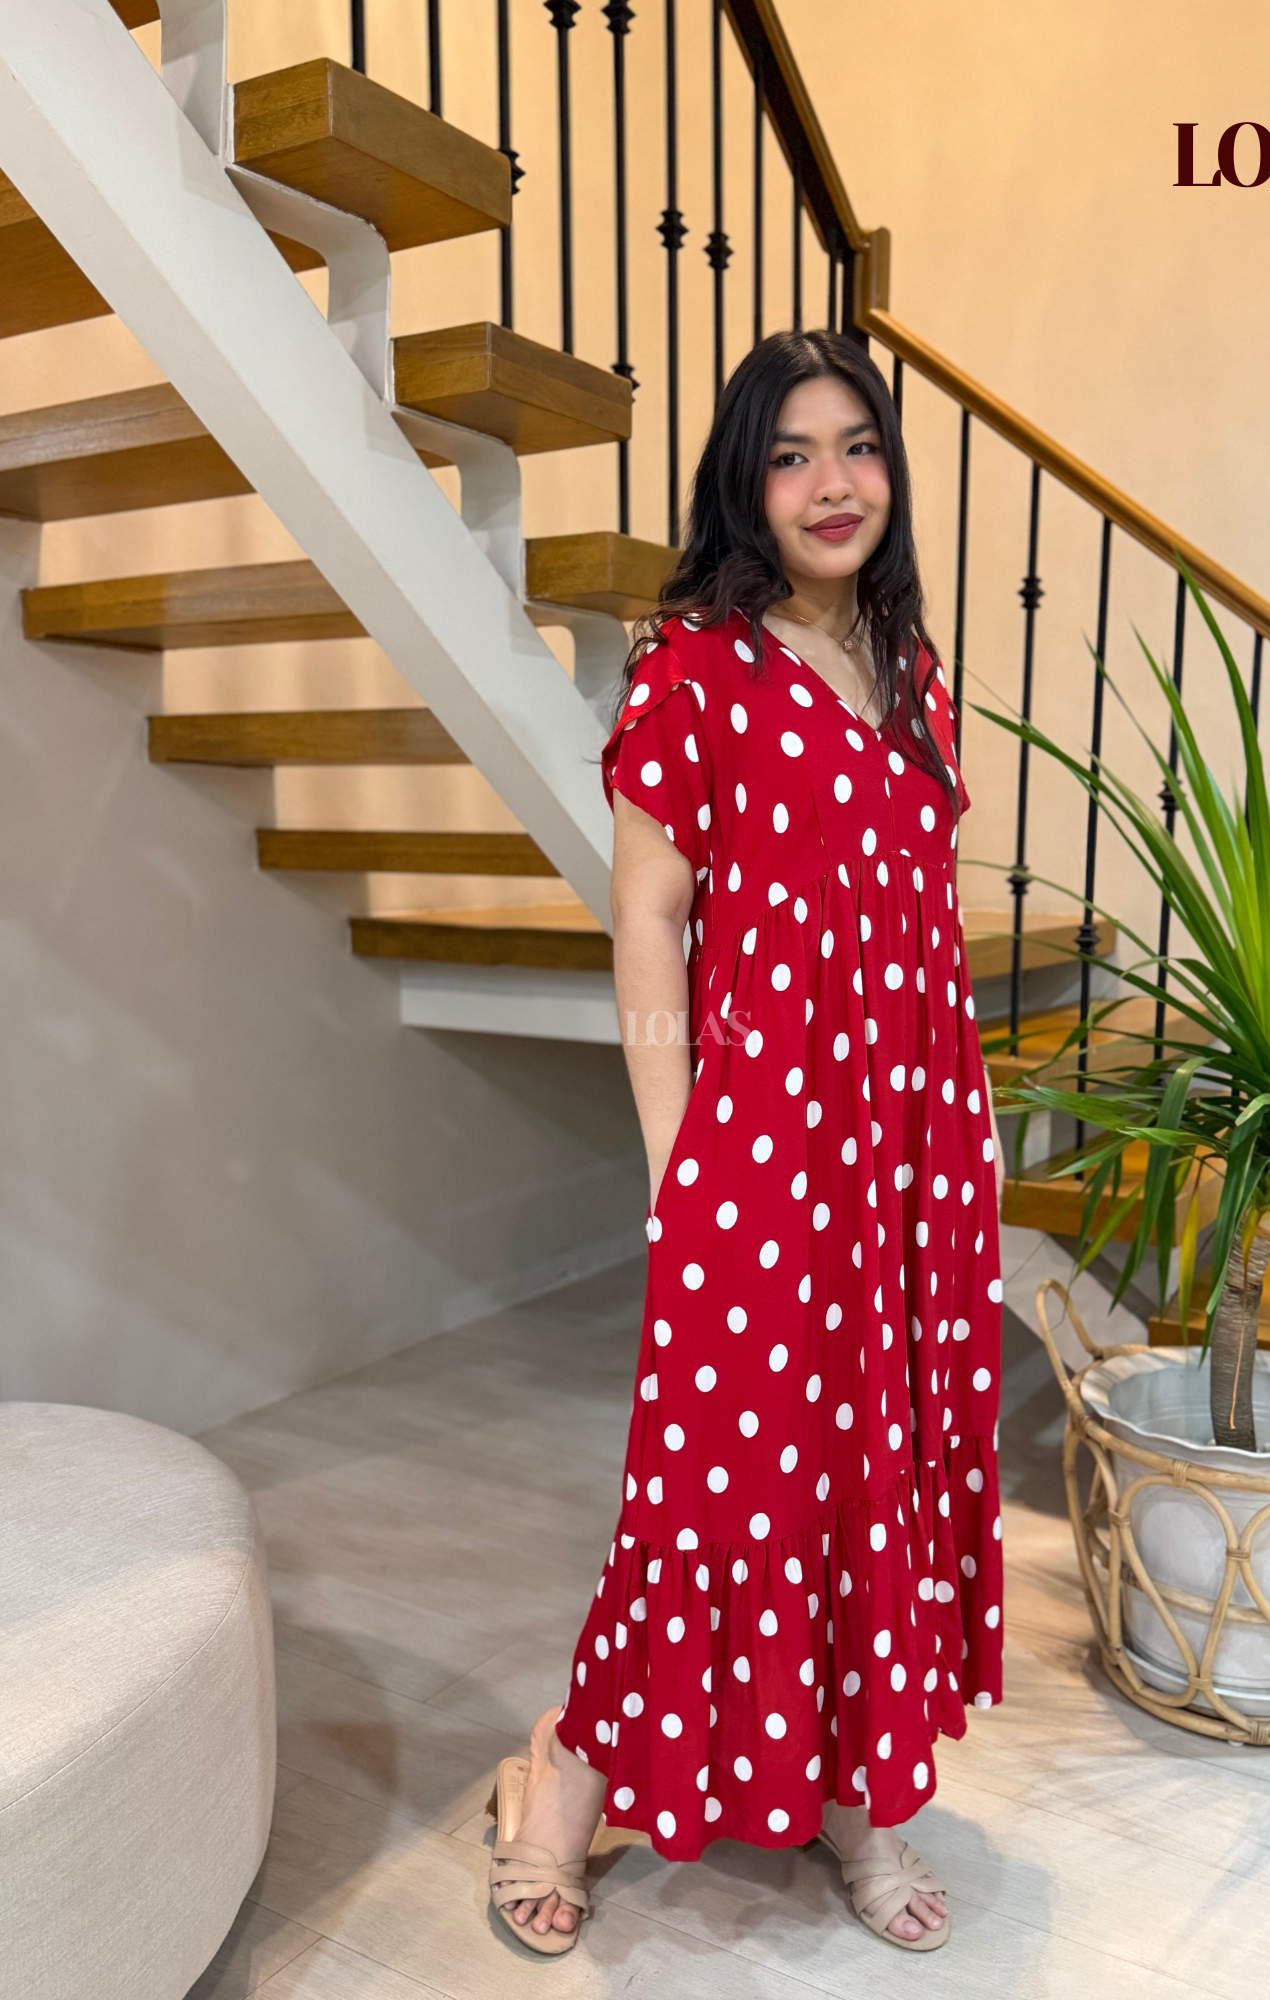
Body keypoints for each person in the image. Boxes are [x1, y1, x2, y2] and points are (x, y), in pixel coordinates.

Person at [486, 329, 1004, 1957]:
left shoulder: (913, 673)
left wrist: (959, 1131)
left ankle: (858, 1795)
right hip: (763, 1144)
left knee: (872, 1471)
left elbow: (919, 923)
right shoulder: (697, 667)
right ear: (745, 483)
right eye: (791, 454)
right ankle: (565, 1776)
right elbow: (648, 918)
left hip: (908, 1149)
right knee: (709, 1483)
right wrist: (678, 1152)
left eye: (858, 446)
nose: (832, 483)